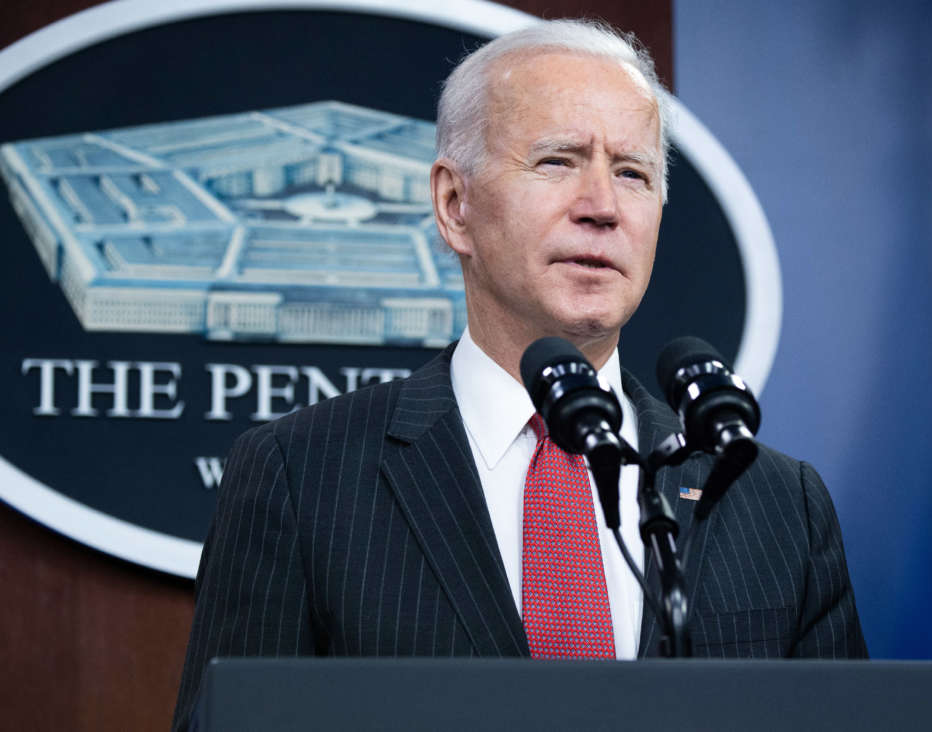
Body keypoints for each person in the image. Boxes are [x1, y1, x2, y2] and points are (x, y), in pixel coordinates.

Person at [172, 18, 867, 731]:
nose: (601, 207)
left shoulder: (776, 503)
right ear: (454, 205)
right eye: (557, 162)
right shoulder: (303, 477)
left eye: (632, 172)